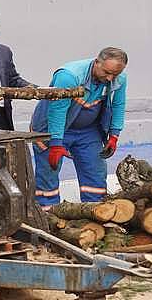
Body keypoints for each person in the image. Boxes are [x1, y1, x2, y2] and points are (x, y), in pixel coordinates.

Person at [31, 47, 128, 210]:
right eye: (106, 72)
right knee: (48, 174)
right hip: (51, 128)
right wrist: (55, 143)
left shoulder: (118, 78)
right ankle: (48, 215)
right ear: (97, 62)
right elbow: (57, 110)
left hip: (89, 131)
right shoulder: (68, 76)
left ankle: (95, 212)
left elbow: (119, 104)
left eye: (115, 74)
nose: (110, 78)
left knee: (95, 172)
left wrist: (114, 135)